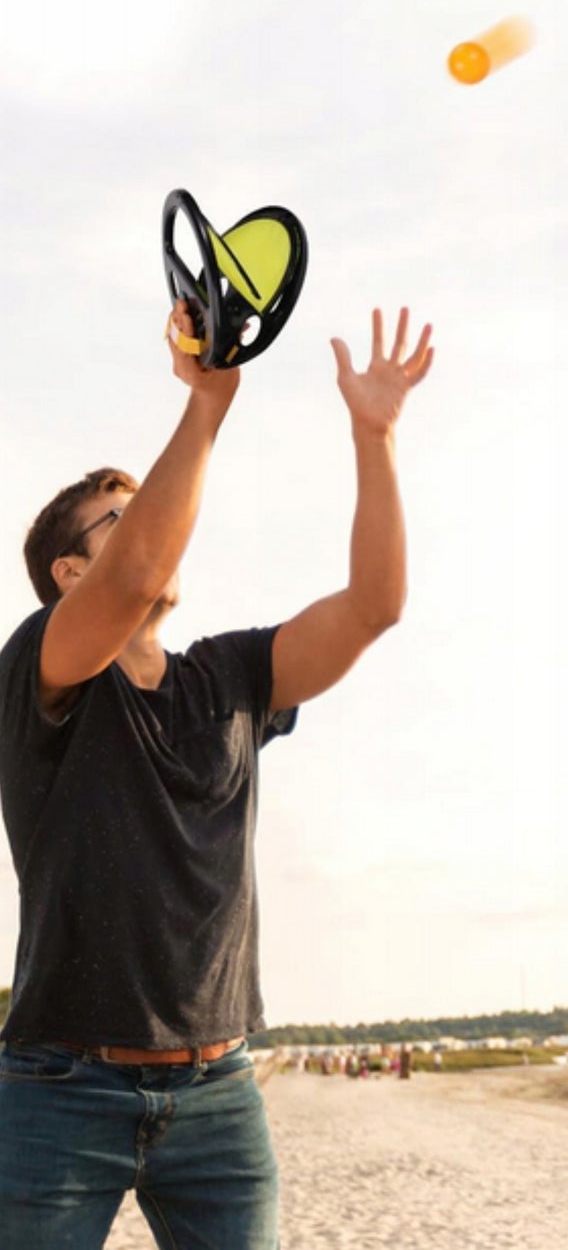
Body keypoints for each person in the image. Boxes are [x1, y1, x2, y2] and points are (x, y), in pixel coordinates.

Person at [0, 302, 434, 1247]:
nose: (152, 525)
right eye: (122, 517)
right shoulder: (44, 667)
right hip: (60, 1091)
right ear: (69, 571)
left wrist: (376, 435)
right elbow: (132, 577)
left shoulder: (230, 676)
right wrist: (208, 402)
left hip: (218, 1094)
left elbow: (374, 604)